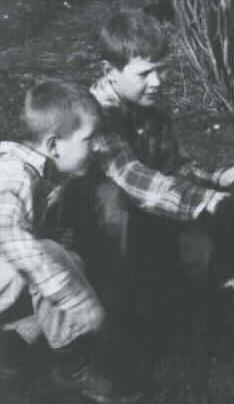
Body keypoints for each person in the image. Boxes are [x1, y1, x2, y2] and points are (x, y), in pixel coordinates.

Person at [58, 11, 234, 388]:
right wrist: (206, 201)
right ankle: (113, 329)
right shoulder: (93, 114)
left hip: (145, 211)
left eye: (161, 70)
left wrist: (215, 179)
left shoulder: (154, 109)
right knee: (113, 202)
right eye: (145, 73)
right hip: (95, 228)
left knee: (200, 248)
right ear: (109, 70)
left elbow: (171, 165)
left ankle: (186, 316)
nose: (158, 81)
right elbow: (132, 177)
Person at [0, 80, 142, 403]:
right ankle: (71, 365)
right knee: (52, 258)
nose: (94, 149)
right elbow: (9, 235)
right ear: (53, 145)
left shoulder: (42, 171)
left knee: (62, 255)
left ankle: (13, 346)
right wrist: (77, 300)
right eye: (88, 140)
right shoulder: (13, 173)